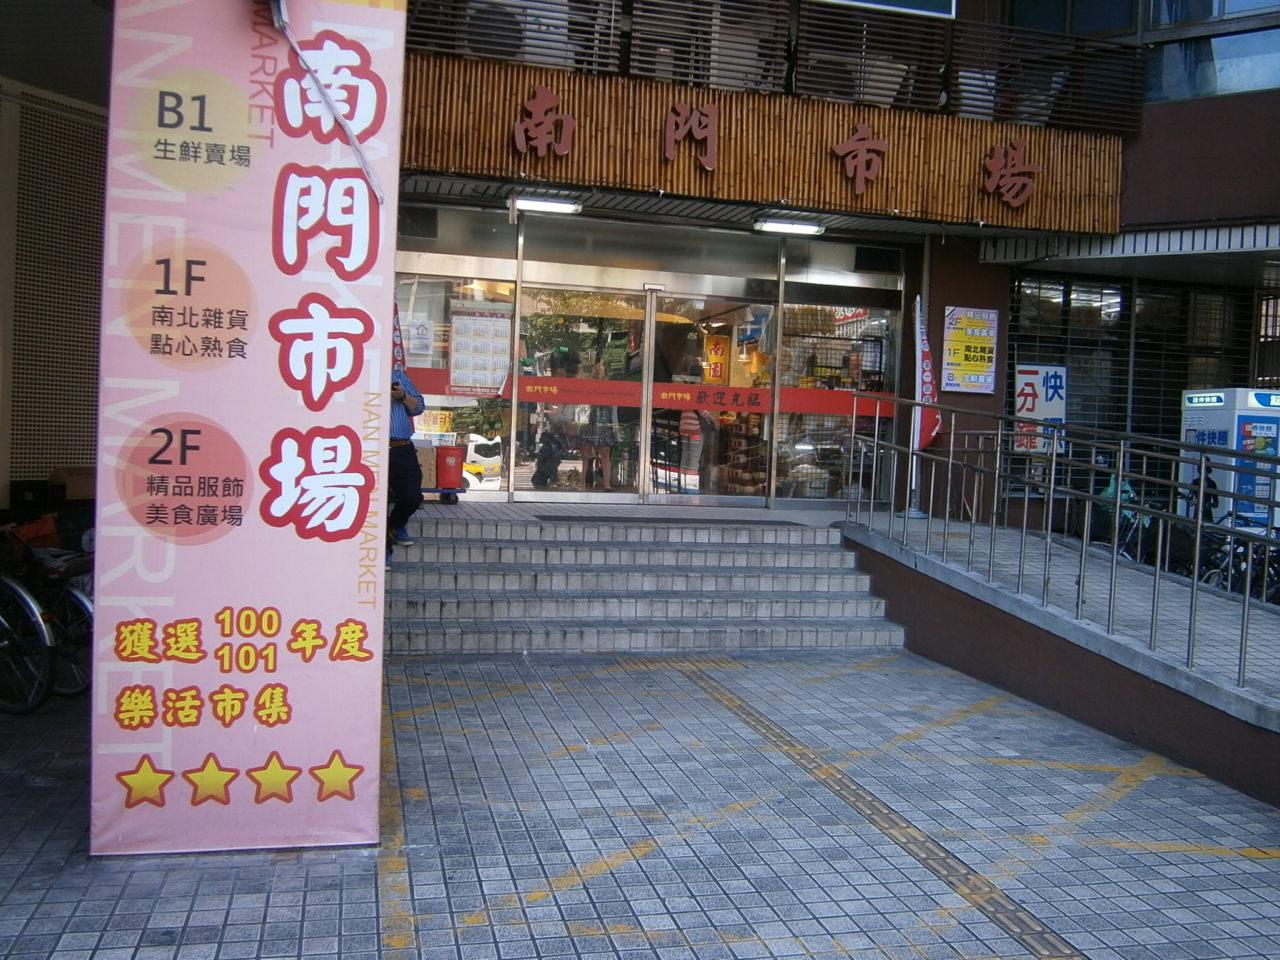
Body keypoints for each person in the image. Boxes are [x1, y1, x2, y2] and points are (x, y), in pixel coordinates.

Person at [387, 368, 426, 569]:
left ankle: (395, 525)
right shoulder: (356, 370)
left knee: (412, 497)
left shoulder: (397, 375)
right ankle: (384, 550)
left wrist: (402, 396)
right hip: (368, 450)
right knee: (373, 503)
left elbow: (419, 406)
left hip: (401, 447)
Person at [579, 361, 617, 491]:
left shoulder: (608, 386)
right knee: (587, 455)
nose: (598, 371)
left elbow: (613, 406)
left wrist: (614, 423)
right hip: (592, 420)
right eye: (597, 369)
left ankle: (606, 484)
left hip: (601, 421)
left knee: (603, 455)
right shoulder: (590, 385)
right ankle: (583, 483)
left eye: (600, 369)